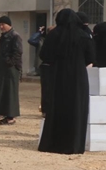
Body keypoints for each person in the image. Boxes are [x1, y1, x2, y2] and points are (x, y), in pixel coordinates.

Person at [37, 9, 95, 154]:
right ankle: (74, 144)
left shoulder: (54, 35)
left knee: (57, 107)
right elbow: (91, 57)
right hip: (78, 77)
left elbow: (44, 55)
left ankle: (54, 144)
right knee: (76, 108)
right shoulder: (83, 35)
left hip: (58, 75)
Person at [0, 15, 23, 124]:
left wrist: (9, 62)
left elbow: (18, 52)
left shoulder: (15, 36)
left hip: (11, 69)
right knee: (2, 91)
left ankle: (11, 117)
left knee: (10, 92)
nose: (1, 27)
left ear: (8, 24)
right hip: (3, 68)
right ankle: (5, 113)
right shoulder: (4, 36)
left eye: (3, 24)